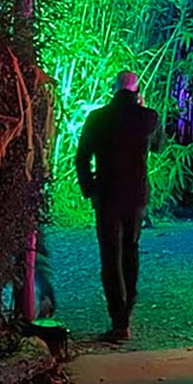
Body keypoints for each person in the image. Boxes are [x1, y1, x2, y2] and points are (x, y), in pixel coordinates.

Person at [75, 70, 163, 343]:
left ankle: (118, 320)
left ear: (113, 88)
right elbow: (159, 147)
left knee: (110, 255)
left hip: (107, 195)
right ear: (137, 91)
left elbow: (82, 158)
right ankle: (128, 309)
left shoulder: (97, 118)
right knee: (131, 250)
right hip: (136, 196)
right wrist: (145, 110)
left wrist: (90, 189)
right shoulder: (148, 117)